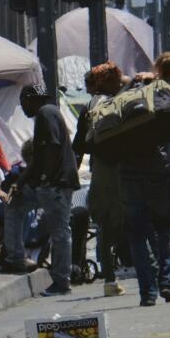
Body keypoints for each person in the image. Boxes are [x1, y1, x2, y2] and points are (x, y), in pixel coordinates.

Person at [2, 85, 80, 296]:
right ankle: (15, 259)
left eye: (22, 102)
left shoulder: (46, 113)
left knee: (60, 232)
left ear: (30, 98)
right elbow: (37, 156)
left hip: (55, 184)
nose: (22, 107)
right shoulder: (45, 114)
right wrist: (22, 181)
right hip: (48, 184)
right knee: (14, 205)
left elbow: (52, 147)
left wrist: (46, 177)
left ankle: (61, 282)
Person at [118, 64, 170, 307]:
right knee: (165, 229)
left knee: (137, 234)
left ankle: (147, 293)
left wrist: (129, 83)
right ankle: (166, 281)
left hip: (129, 174)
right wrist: (155, 81)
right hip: (156, 170)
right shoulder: (159, 101)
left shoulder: (122, 101)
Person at [73, 61, 126, 298]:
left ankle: (110, 279)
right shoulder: (113, 103)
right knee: (119, 221)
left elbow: (79, 145)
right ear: (107, 82)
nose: (120, 83)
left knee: (106, 225)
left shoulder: (90, 106)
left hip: (103, 169)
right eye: (116, 79)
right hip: (117, 169)